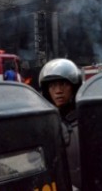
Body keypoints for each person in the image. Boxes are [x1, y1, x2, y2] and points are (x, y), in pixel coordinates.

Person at [39, 59, 82, 189]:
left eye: (63, 84)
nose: (58, 91)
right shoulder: (44, 125)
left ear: (74, 87)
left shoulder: (86, 118)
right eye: (52, 86)